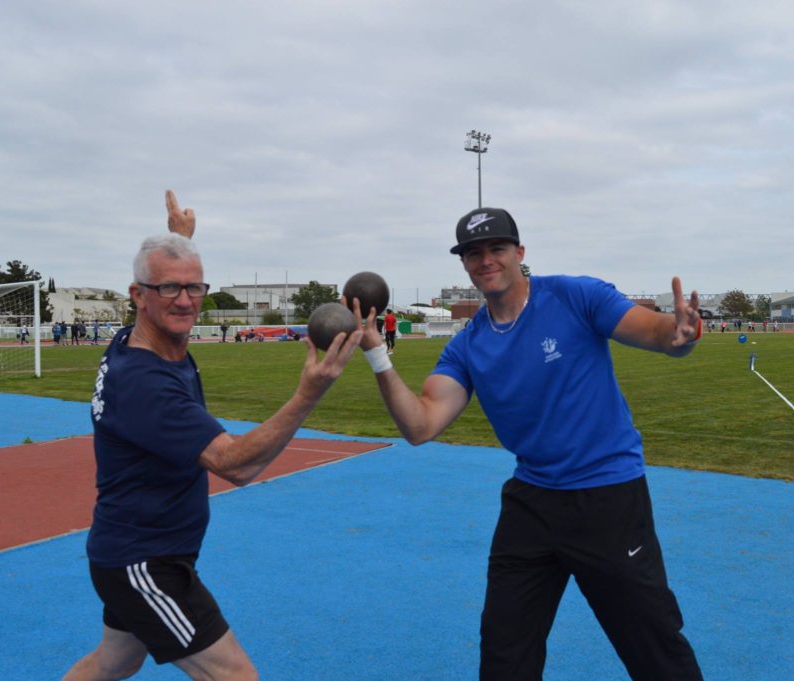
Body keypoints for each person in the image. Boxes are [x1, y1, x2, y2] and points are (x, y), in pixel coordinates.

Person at [347, 207, 704, 681]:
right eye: (473, 253)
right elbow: (421, 425)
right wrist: (376, 353)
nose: (486, 260)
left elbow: (658, 332)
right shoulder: (468, 345)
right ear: (465, 265)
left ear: (520, 252)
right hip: (531, 504)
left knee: (653, 647)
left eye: (496, 248)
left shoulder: (575, 295)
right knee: (504, 654)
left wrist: (680, 335)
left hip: (607, 497)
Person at [63, 190, 362, 681]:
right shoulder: (145, 383)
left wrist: (177, 239)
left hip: (135, 551)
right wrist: (310, 391)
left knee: (114, 662)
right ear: (137, 296)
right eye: (168, 290)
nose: (184, 300)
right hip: (144, 560)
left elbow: (165, 282)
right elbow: (236, 464)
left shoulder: (139, 336)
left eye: (194, 287)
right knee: (235, 676)